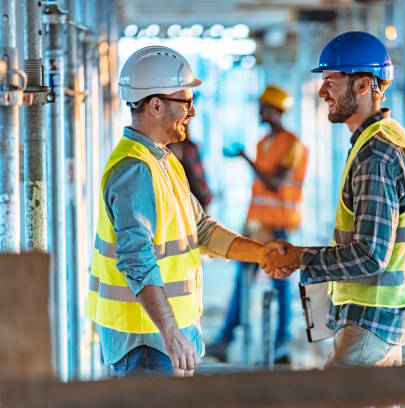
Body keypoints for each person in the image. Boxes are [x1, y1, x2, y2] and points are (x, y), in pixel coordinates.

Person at [85, 46, 283, 377]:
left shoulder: (163, 161)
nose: (191, 112)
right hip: (147, 342)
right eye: (185, 102)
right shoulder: (135, 170)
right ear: (156, 105)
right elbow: (137, 261)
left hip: (166, 338)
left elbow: (201, 229)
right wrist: (171, 332)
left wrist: (261, 253)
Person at [260, 31, 405, 369]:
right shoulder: (384, 138)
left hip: (371, 320)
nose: (323, 92)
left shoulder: (376, 154)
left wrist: (301, 258)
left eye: (331, 82)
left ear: (364, 85)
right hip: (383, 317)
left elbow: (370, 255)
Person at [207, 85, 308, 363]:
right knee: (241, 283)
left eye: (264, 107)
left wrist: (245, 159)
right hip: (257, 226)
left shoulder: (292, 144)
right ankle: (226, 340)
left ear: (276, 111)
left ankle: (283, 343)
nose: (260, 111)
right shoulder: (263, 142)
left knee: (281, 286)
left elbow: (274, 183)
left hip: (278, 228)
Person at [169, 125, 213, 213]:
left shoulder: (190, 148)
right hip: (179, 202)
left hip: (194, 200)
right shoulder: (163, 150)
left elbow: (198, 176)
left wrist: (204, 198)